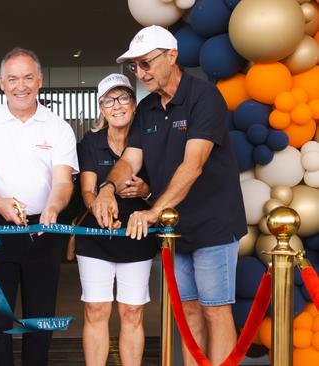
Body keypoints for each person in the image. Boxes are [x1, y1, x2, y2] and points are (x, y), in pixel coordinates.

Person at [92, 25, 247, 365]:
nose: (140, 72)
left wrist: (152, 211)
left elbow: (193, 165)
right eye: (134, 66)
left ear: (172, 56)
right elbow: (129, 161)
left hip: (213, 225)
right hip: (175, 229)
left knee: (215, 312)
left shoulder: (204, 97)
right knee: (189, 312)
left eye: (145, 63)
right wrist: (106, 188)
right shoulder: (146, 108)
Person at [0, 47, 78, 366]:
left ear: (39, 81)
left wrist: (54, 208)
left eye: (28, 77)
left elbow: (62, 182)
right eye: (13, 78)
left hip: (43, 230)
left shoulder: (58, 127)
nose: (21, 85)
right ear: (2, 83)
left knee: (40, 321)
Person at [77, 73, 157, 365]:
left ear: (134, 104)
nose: (117, 105)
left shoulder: (150, 141)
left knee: (132, 311)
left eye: (124, 97)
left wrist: (146, 191)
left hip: (136, 236)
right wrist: (98, 206)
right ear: (101, 108)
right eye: (109, 100)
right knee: (96, 309)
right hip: (96, 237)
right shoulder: (90, 142)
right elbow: (86, 190)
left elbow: (159, 194)